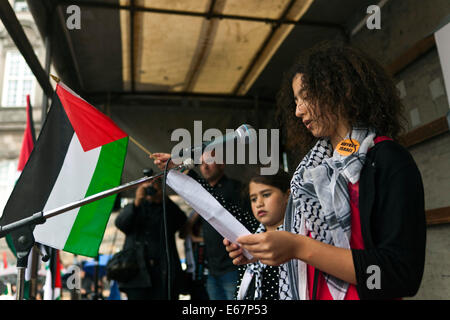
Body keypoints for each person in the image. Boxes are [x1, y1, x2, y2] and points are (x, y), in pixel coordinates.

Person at [225, 42, 426, 300]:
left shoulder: (388, 159)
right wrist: (262, 250)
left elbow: (400, 274)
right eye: (295, 101)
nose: (298, 111)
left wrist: (297, 246)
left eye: (306, 96)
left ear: (340, 90)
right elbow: (307, 249)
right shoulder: (311, 172)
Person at [153, 150, 245, 300]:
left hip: (234, 266)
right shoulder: (204, 194)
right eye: (201, 163)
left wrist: (180, 166)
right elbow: (185, 230)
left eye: (209, 161)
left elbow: (206, 194)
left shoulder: (235, 188)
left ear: (221, 164)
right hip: (212, 270)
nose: (204, 167)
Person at [115, 177, 187, 300]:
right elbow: (121, 223)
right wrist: (136, 201)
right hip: (137, 274)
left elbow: (182, 222)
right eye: (146, 185)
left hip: (163, 274)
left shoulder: (166, 206)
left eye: (154, 185)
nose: (150, 189)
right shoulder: (135, 207)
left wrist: (164, 199)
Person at [231, 170, 291, 300]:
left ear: (287, 195)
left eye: (266, 195)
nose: (259, 203)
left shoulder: (300, 237)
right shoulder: (250, 240)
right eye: (253, 199)